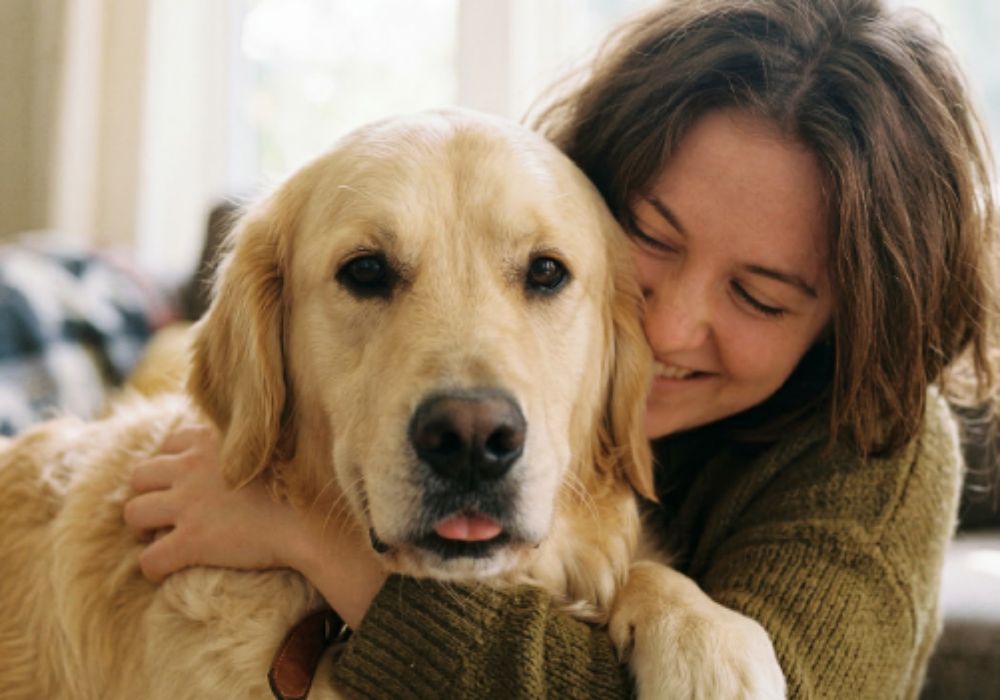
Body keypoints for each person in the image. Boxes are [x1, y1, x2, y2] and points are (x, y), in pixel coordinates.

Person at [123, 0, 998, 696]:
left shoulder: (883, 453)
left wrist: (317, 542)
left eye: (759, 295)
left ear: (846, 322)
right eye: (651, 238)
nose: (660, 331)